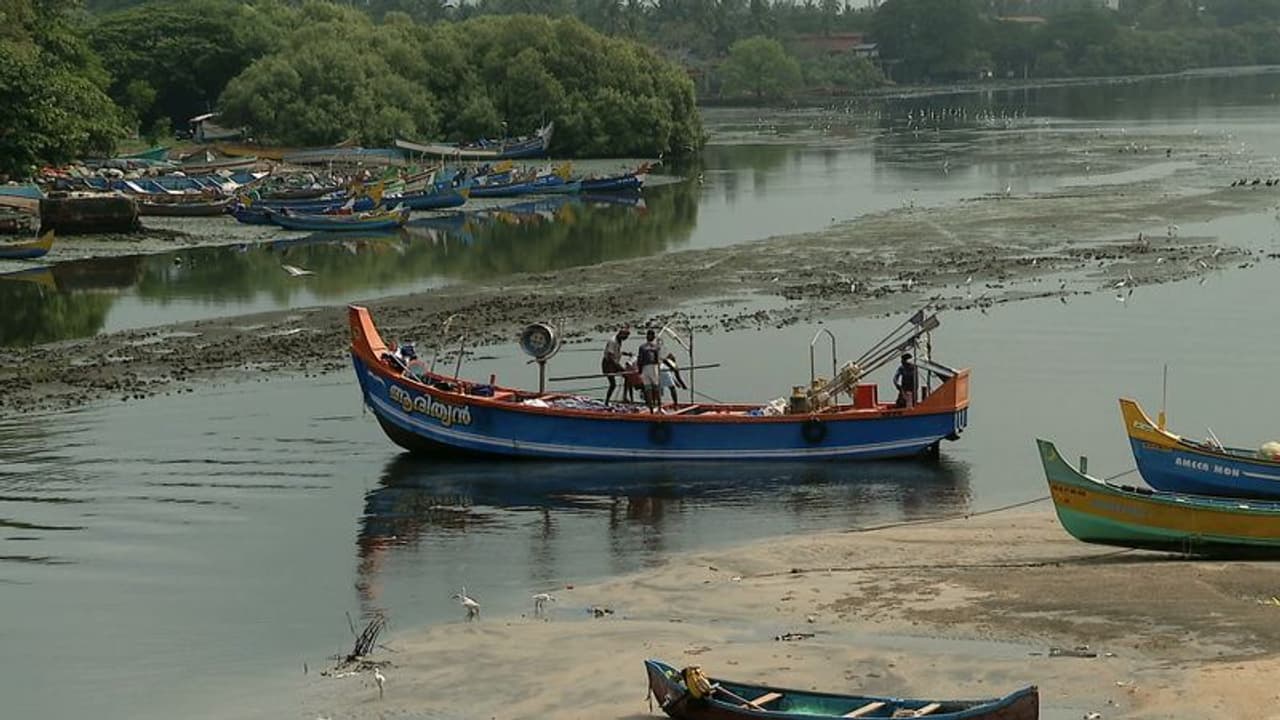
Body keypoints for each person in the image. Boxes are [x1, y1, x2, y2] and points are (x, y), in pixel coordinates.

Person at [601, 328, 631, 405]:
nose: (625, 339)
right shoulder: (613, 341)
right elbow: (610, 356)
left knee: (627, 377)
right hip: (608, 364)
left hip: (614, 362)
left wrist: (626, 354)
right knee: (613, 384)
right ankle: (607, 401)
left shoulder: (619, 341)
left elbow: (617, 351)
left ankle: (625, 397)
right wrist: (618, 366)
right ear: (621, 334)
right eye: (625, 337)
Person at [636, 330, 663, 412]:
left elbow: (640, 359)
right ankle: (654, 407)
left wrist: (640, 370)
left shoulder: (650, 347)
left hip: (650, 367)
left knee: (652, 388)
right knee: (651, 388)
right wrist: (640, 370)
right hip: (648, 367)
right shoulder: (653, 347)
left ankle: (656, 406)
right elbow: (657, 359)